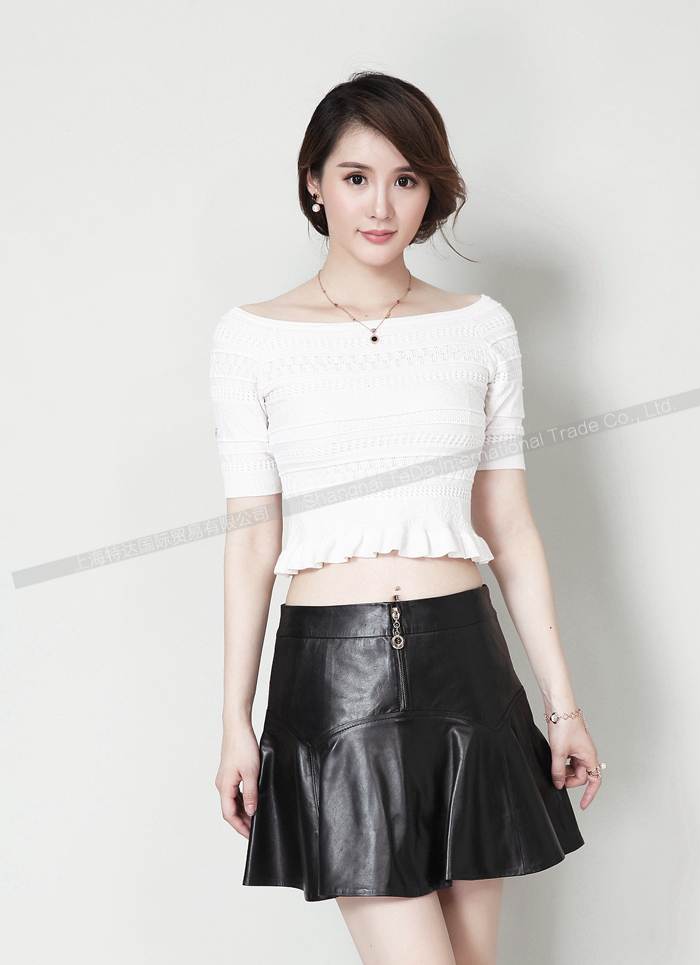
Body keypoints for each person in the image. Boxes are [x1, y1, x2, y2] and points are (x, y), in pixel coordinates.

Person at [209, 70, 603, 965]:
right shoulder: (253, 338)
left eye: (405, 178)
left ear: (432, 189)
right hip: (332, 673)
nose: (381, 205)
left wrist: (564, 706)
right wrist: (235, 718)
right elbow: (251, 539)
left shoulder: (480, 327)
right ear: (314, 182)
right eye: (355, 177)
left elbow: (511, 525)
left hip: (467, 662)